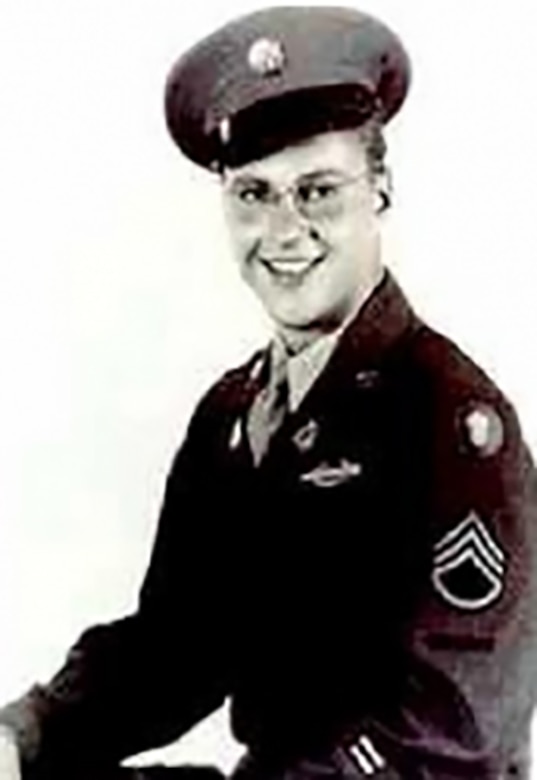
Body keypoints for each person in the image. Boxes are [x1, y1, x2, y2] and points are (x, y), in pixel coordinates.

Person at [1, 5, 537, 779]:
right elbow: (175, 647)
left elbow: (451, 726)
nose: (283, 231)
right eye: (252, 194)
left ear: (379, 189)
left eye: (316, 190)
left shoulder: (451, 419)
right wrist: (31, 732)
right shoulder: (230, 416)